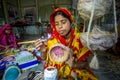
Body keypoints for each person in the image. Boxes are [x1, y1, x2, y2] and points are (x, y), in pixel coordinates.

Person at [34, 8, 98, 79]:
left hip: (74, 71)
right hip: (56, 72)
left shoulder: (80, 39)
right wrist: (43, 52)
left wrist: (74, 65)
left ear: (70, 22)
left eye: (63, 22)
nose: (60, 26)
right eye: (56, 24)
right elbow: (45, 59)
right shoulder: (51, 41)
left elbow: (85, 63)